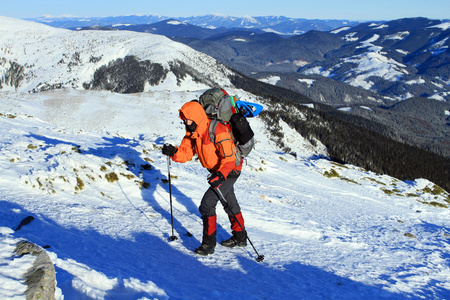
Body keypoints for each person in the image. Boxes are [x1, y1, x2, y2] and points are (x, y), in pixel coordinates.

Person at [162, 100, 247, 256]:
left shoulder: (217, 129)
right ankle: (240, 237)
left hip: (230, 170)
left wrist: (221, 175)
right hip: (218, 172)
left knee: (207, 205)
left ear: (195, 117)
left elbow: (228, 159)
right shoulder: (192, 134)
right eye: (184, 119)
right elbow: (186, 153)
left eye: (187, 119)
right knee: (229, 203)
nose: (185, 122)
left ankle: (208, 245)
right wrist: (173, 152)